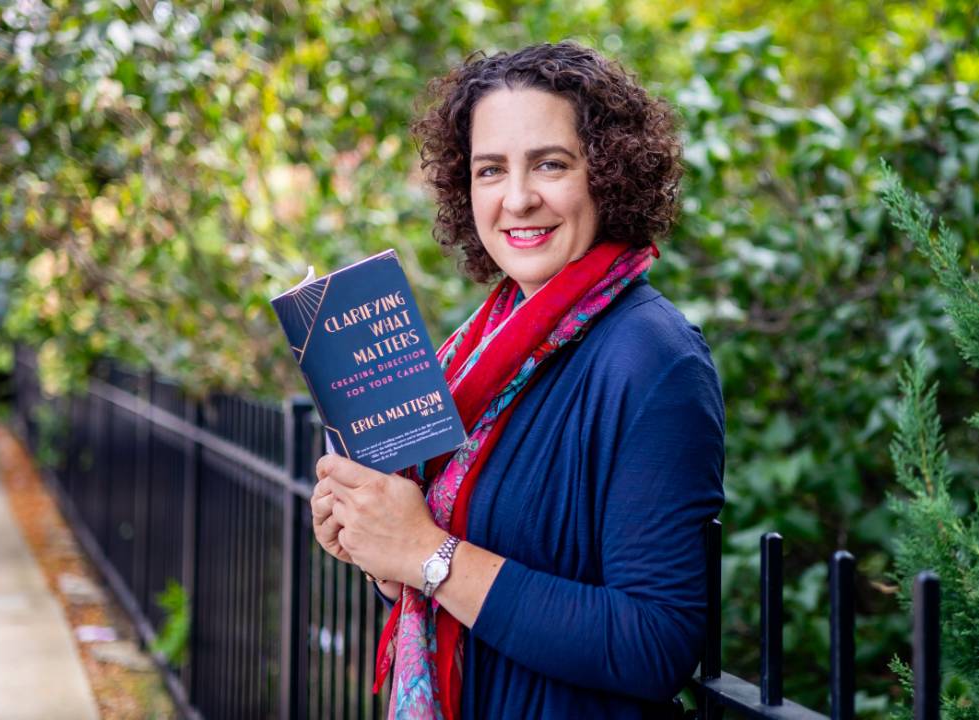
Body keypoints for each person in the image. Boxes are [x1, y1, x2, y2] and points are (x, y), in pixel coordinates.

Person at [310, 42, 725, 720]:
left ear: (608, 173)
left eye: (551, 164)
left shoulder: (655, 359)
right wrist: (380, 546)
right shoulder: (478, 346)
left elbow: (656, 643)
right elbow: (457, 564)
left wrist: (426, 552)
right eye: (490, 170)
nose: (518, 198)